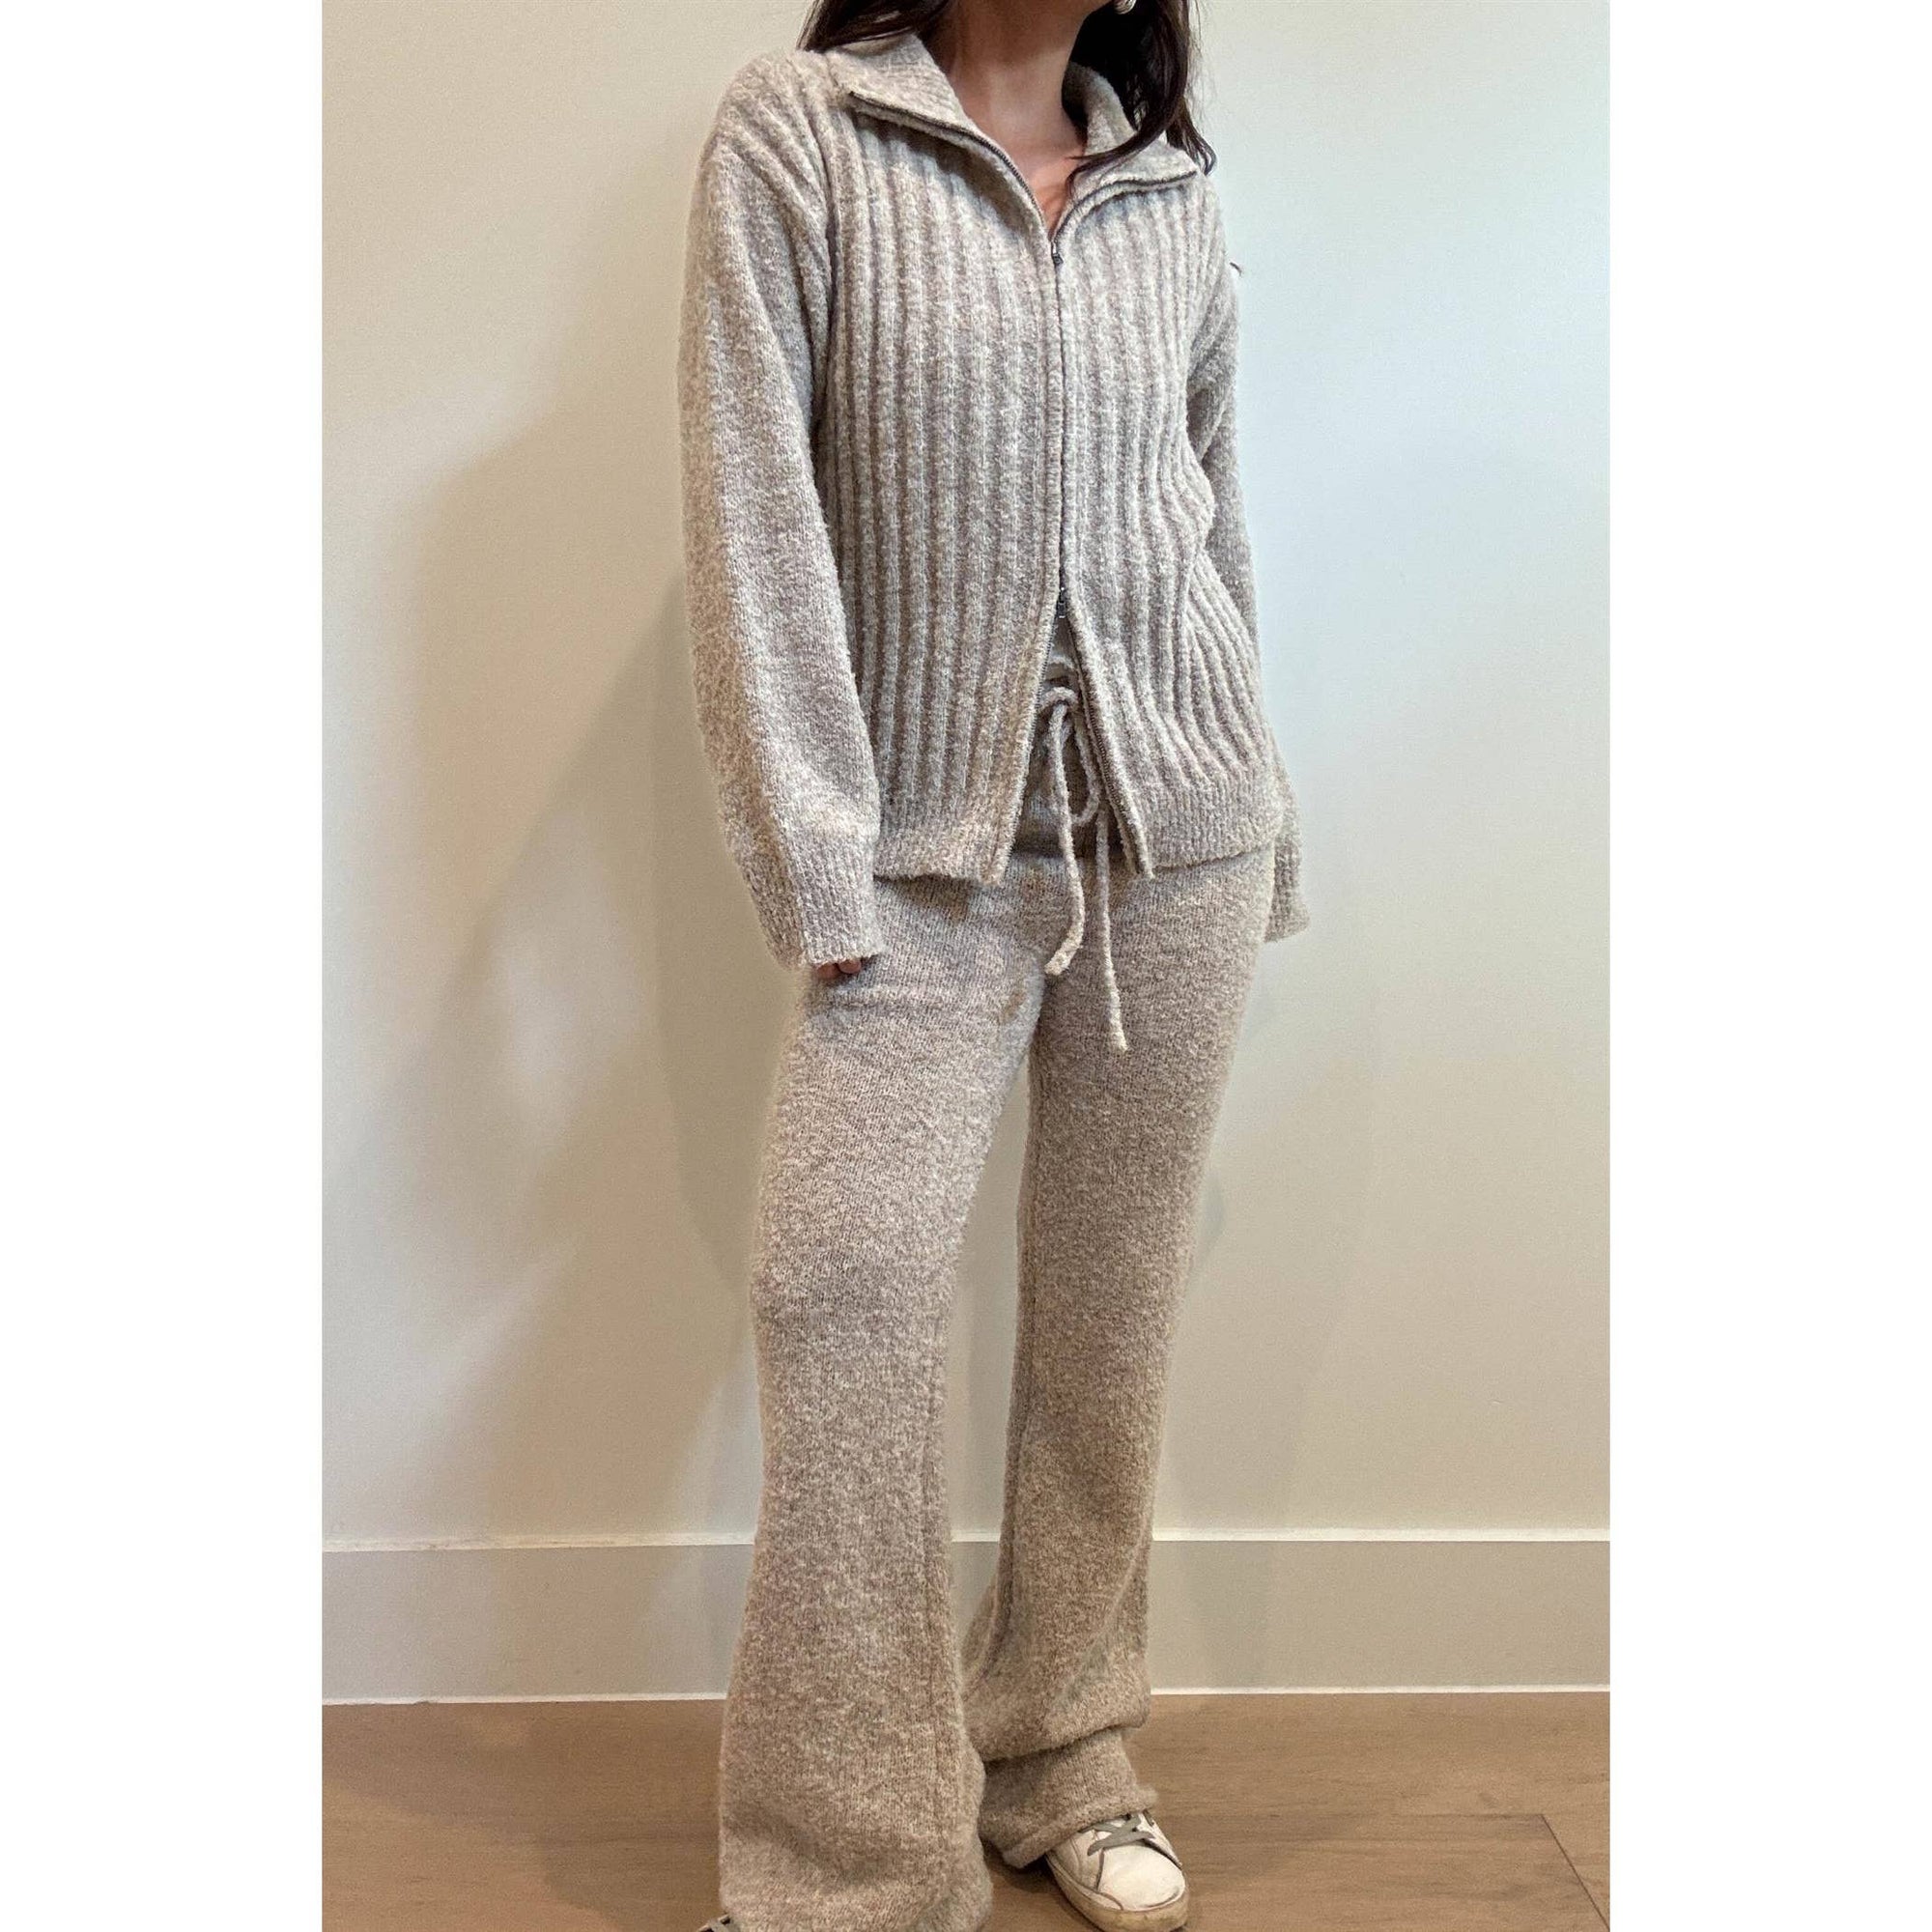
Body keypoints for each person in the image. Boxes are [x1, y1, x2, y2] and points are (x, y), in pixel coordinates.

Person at [675, 2, 1307, 1926]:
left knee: (1108, 1325)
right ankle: (850, 1860)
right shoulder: (801, 134)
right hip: (919, 856)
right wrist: (819, 866)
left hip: (1173, 835)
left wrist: (1257, 813)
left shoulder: (1169, 186)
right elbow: (752, 517)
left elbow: (1208, 506)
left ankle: (1063, 1747)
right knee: (836, 1291)